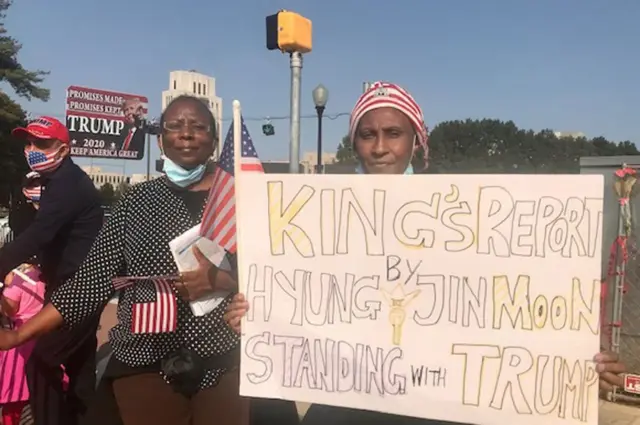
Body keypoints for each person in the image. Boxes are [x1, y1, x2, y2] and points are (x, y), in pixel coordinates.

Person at [224, 81, 627, 425]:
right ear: (354, 141)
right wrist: (257, 315)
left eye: (393, 133)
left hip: (434, 403)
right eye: (367, 135)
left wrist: (575, 353)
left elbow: (514, 303)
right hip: (344, 401)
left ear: (416, 139)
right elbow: (296, 291)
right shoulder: (311, 210)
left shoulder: (465, 215)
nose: (380, 147)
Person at [0, 96, 246, 425]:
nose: (186, 134)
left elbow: (275, 273)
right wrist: (19, 335)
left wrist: (226, 281)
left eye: (198, 126)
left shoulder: (239, 201)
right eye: (174, 126)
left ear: (214, 140)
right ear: (160, 141)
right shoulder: (136, 201)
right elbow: (90, 282)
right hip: (146, 363)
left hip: (224, 361)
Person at [0, 116, 104, 425]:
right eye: (29, 143)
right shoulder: (54, 181)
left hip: (77, 290)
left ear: (64, 148)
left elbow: (40, 234)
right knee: (80, 370)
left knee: (42, 361)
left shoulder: (66, 183)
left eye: (42, 143)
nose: (32, 149)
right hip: (71, 286)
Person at [0, 262, 45, 425]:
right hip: (45, 333)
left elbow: (9, 309)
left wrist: (5, 287)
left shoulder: (19, 279)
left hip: (20, 339)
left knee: (15, 392)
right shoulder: (48, 276)